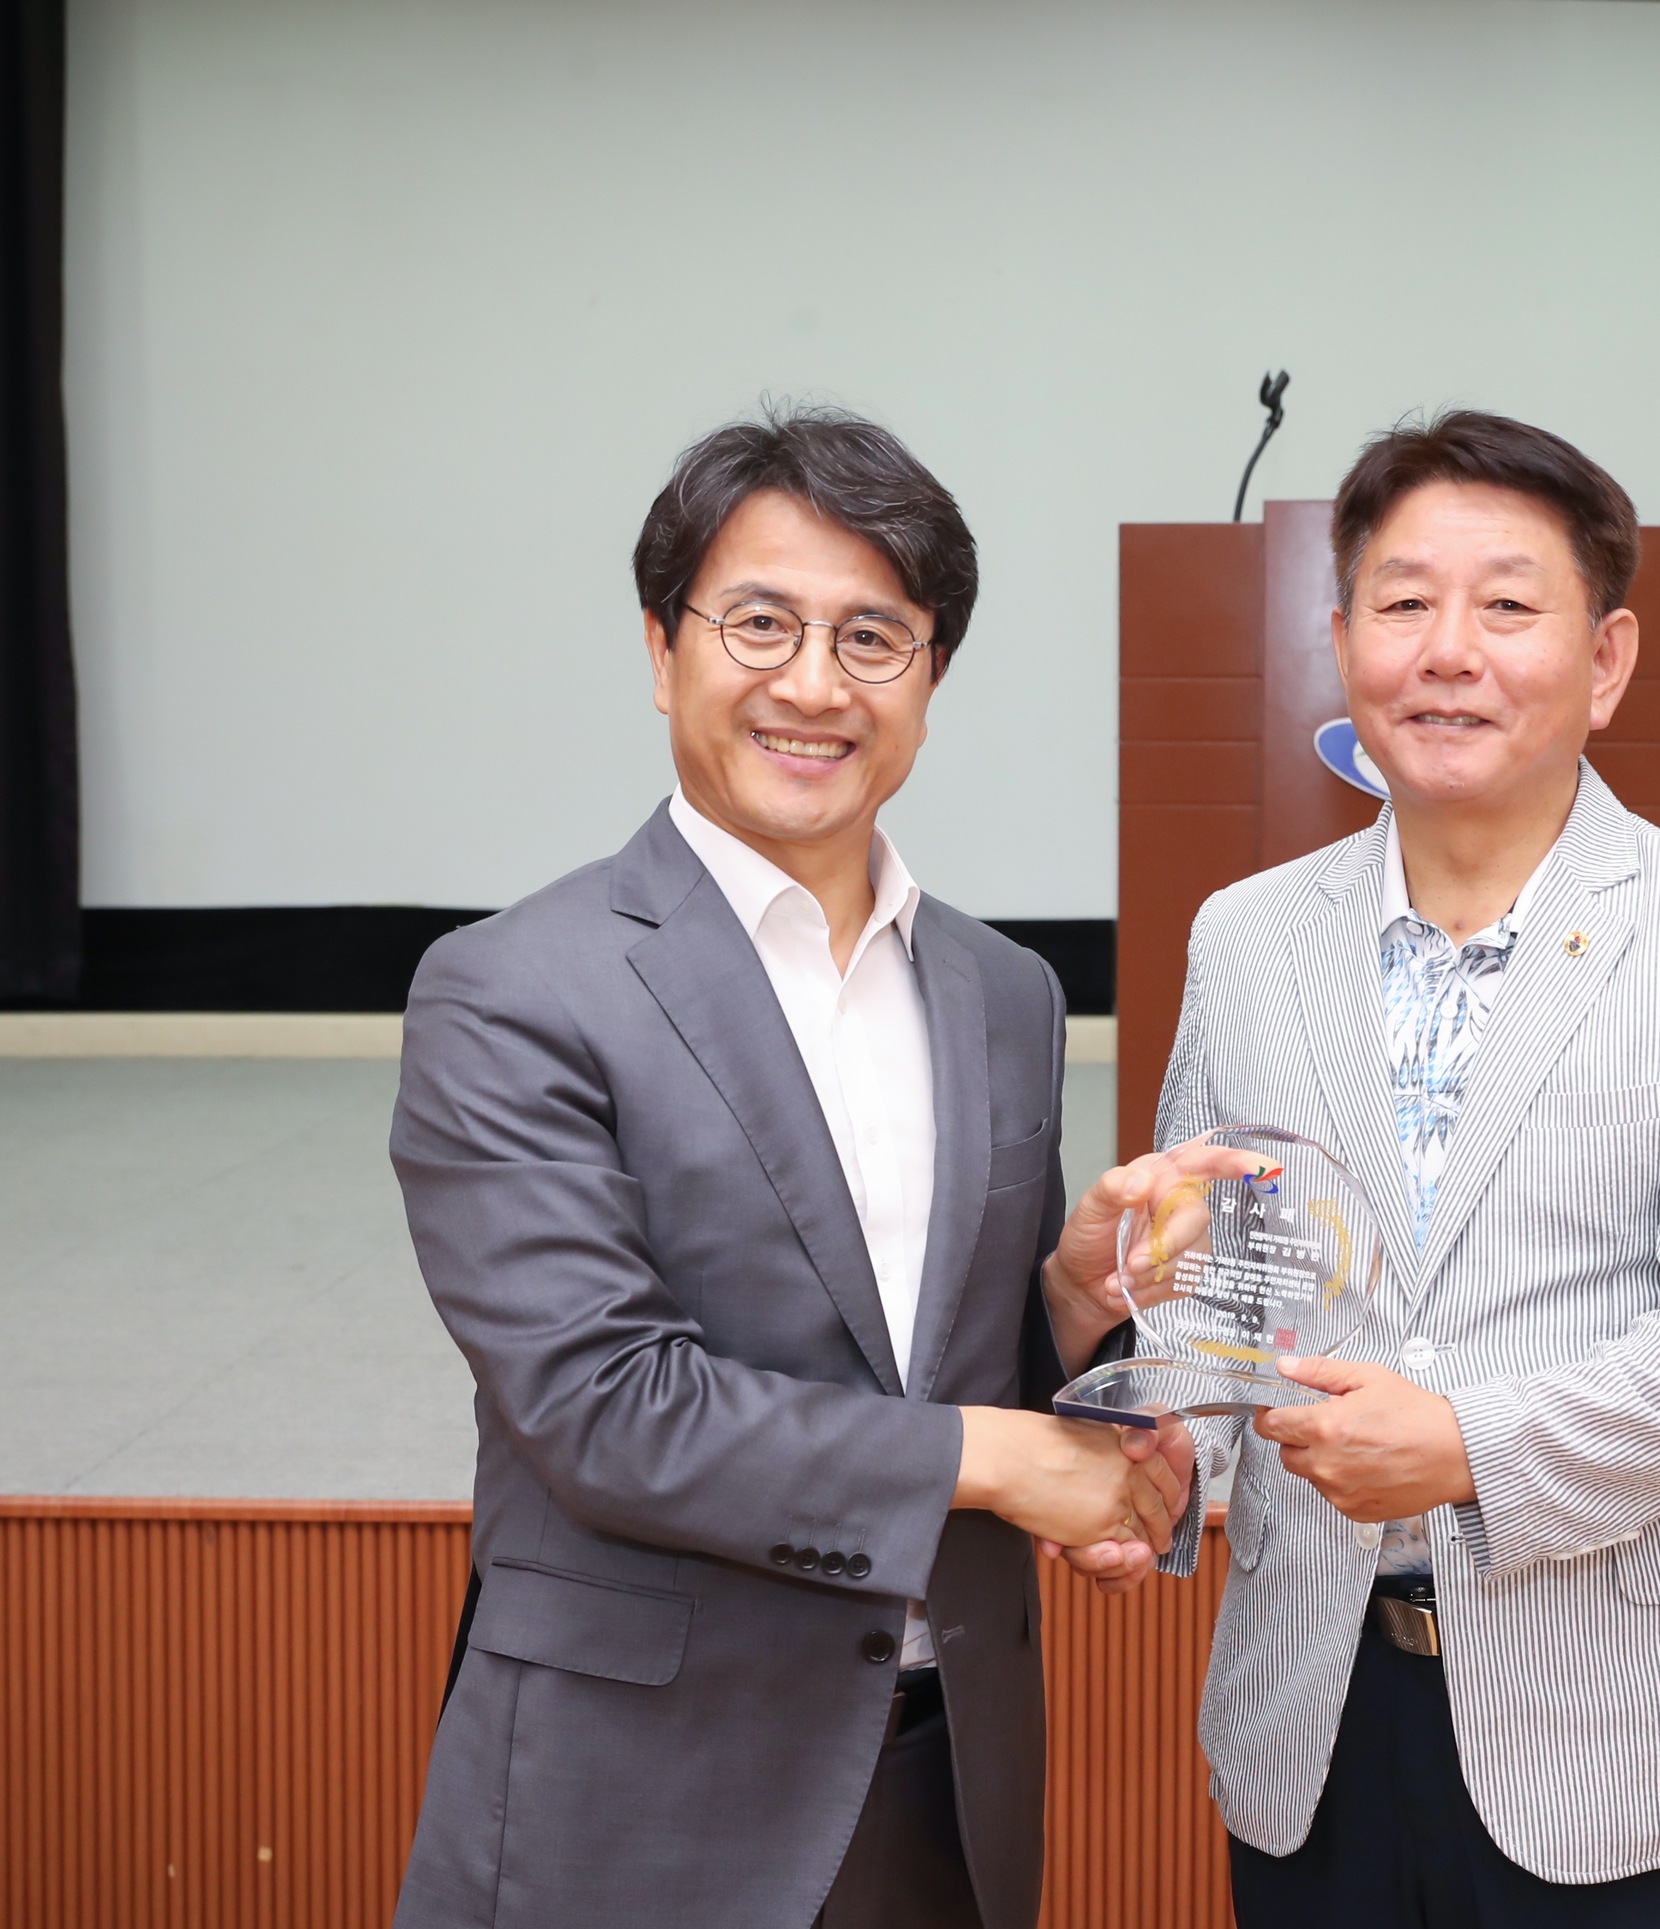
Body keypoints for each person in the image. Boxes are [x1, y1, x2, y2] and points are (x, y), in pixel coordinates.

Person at [389, 407, 1191, 1929]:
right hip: (639, 1791)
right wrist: (1002, 1461)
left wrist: (1074, 1311)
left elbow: (938, 1374)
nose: (815, 685)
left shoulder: (1004, 991)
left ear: (931, 679)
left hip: (942, 1780)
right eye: (760, 623)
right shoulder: (513, 987)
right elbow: (604, 1409)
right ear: (660, 649)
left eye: (873, 637)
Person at [1153, 411, 1660, 1925]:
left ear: (1605, 660)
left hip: (1611, 1721)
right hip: (1308, 1716)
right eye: (1403, 602)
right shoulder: (1244, 936)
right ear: (1342, 640)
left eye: (1508, 606)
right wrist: (1159, 1457)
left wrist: (1468, 1444)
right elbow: (1224, 1281)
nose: (1448, 651)